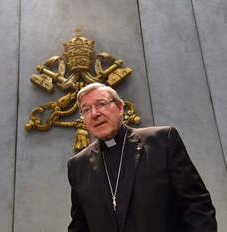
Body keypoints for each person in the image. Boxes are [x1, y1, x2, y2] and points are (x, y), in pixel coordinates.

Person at [67, 83, 217, 232]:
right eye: (86, 110)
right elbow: (80, 226)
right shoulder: (78, 165)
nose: (95, 114)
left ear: (120, 108)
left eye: (101, 104)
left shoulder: (162, 141)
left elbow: (197, 207)